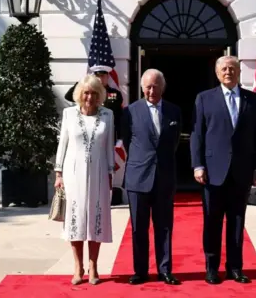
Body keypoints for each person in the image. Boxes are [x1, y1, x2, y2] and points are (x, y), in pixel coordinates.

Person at [190, 56, 256, 285]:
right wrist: (198, 165)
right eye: (224, 69)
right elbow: (197, 135)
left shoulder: (253, 100)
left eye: (232, 68)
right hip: (213, 172)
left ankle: (235, 267)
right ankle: (211, 267)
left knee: (237, 222)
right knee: (212, 222)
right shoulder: (204, 99)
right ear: (217, 73)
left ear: (238, 72)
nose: (228, 72)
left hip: (241, 172)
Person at [121, 69, 182, 285]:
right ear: (141, 87)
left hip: (164, 177)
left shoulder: (174, 112)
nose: (151, 90)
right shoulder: (130, 112)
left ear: (162, 87)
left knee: (164, 226)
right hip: (138, 178)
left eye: (155, 86)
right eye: (147, 86)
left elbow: (174, 143)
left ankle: (165, 270)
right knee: (139, 227)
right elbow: (128, 142)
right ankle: (140, 271)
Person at [54, 74, 115, 286]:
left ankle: (93, 267)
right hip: (73, 174)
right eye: (86, 92)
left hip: (98, 174)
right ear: (80, 94)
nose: (90, 97)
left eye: (94, 93)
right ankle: (77, 267)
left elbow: (109, 148)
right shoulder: (69, 114)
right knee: (76, 220)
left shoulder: (108, 115)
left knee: (95, 220)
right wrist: (58, 173)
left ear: (100, 96)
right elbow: (63, 143)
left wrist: (110, 175)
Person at [65, 66, 123, 141]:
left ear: (107, 76)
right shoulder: (88, 92)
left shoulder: (115, 93)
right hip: (90, 129)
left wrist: (119, 137)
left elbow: (119, 116)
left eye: (102, 76)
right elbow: (68, 96)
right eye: (97, 76)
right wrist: (82, 82)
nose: (100, 79)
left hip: (108, 131)